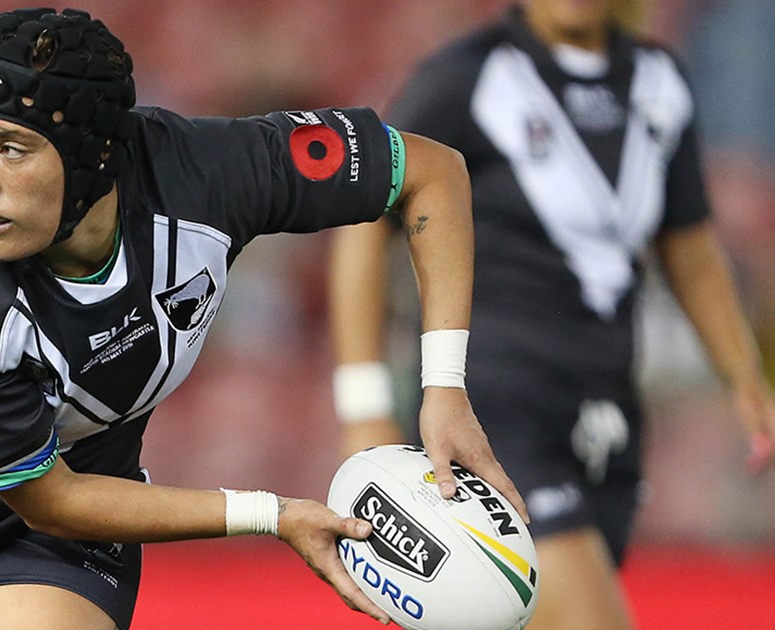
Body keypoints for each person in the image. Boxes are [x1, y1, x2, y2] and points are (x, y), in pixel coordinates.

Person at [0, 7, 527, 629]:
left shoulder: (212, 174)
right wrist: (272, 514)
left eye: (11, 148)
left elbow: (432, 172)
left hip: (74, 507)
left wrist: (444, 388)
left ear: (94, 154)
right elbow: (49, 500)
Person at [328, 2, 775, 629]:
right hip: (493, 412)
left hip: (607, 415)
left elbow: (688, 244)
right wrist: (362, 403)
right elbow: (363, 222)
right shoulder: (468, 75)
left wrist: (745, 376)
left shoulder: (660, 81)